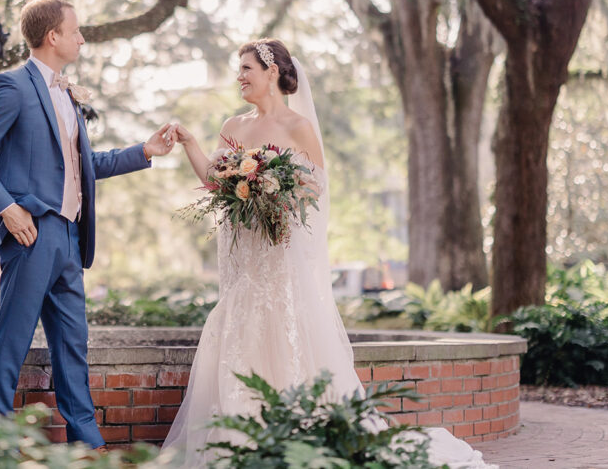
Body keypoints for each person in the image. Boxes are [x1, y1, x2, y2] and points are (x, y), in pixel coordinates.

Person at [162, 38, 495, 468]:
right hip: (245, 259)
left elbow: (315, 188)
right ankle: (239, 446)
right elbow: (215, 179)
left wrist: (274, 191)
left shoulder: (299, 127)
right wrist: (191, 142)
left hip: (280, 258)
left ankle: (297, 445)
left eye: (246, 68)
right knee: (238, 333)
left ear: (272, 72)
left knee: (285, 334)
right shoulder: (234, 125)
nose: (239, 76)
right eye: (238, 69)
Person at [0, 0, 176, 450]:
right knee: (11, 341)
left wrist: (144, 151)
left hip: (71, 239)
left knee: (73, 347)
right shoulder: (12, 86)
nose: (81, 38)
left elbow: (83, 165)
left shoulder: (66, 93)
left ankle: (87, 445)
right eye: (75, 31)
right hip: (31, 233)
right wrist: (7, 208)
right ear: (52, 36)